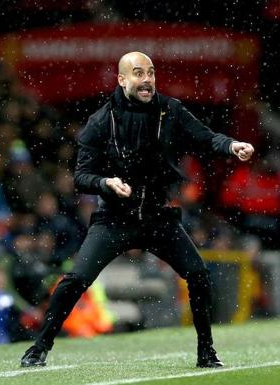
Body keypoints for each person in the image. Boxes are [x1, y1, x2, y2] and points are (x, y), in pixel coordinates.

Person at [20, 51, 254, 369]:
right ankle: (38, 348)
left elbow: (205, 138)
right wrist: (106, 183)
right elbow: (81, 177)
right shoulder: (100, 120)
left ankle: (206, 353)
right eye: (138, 73)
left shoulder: (171, 110)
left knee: (199, 275)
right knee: (75, 279)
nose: (147, 80)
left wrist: (230, 145)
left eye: (151, 73)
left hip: (157, 217)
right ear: (122, 79)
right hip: (115, 219)